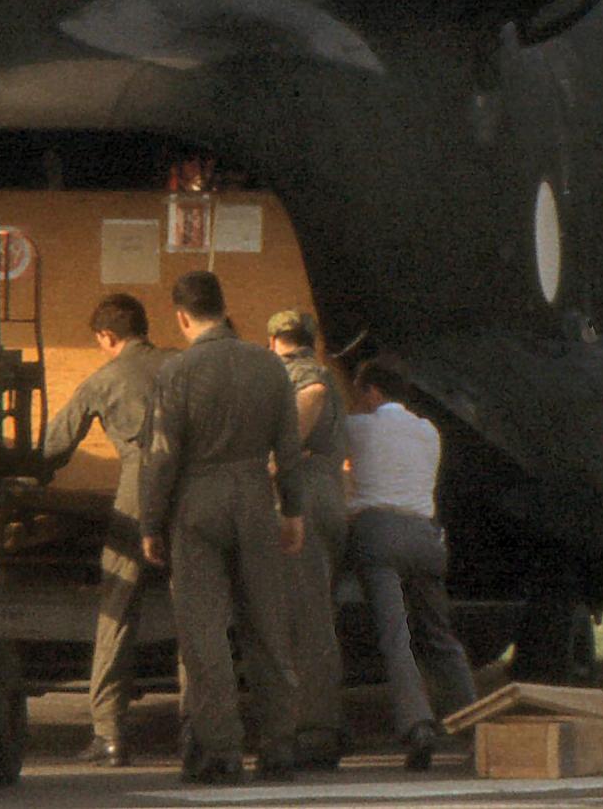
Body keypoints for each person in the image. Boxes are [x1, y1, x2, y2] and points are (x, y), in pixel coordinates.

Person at [138, 270, 305, 784]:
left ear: (182, 316)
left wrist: (150, 521)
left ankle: (221, 749)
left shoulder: (177, 371)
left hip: (197, 502)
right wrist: (293, 510)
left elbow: (161, 457)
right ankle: (279, 748)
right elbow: (290, 449)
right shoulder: (270, 365)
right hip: (256, 496)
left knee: (204, 631)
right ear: (225, 306)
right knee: (268, 626)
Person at [39, 292, 169, 766]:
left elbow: (55, 447)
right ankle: (203, 727)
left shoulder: (102, 380)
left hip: (138, 491)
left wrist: (17, 470)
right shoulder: (180, 366)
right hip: (192, 490)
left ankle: (109, 733)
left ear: (106, 337)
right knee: (200, 610)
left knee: (117, 610)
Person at [342, 359, 476, 771]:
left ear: (372, 393)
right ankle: (474, 724)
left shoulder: (356, 427)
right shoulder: (427, 431)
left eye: (358, 394)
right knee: (439, 635)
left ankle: (418, 726)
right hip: (425, 537)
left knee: (396, 635)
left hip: (378, 534)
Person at [267, 308, 350, 767]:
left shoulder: (304, 379)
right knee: (309, 612)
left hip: (305, 501)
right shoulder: (314, 372)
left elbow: (285, 448)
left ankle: (317, 729)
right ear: (312, 339)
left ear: (271, 340)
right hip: (325, 497)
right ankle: (319, 722)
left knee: (307, 616)